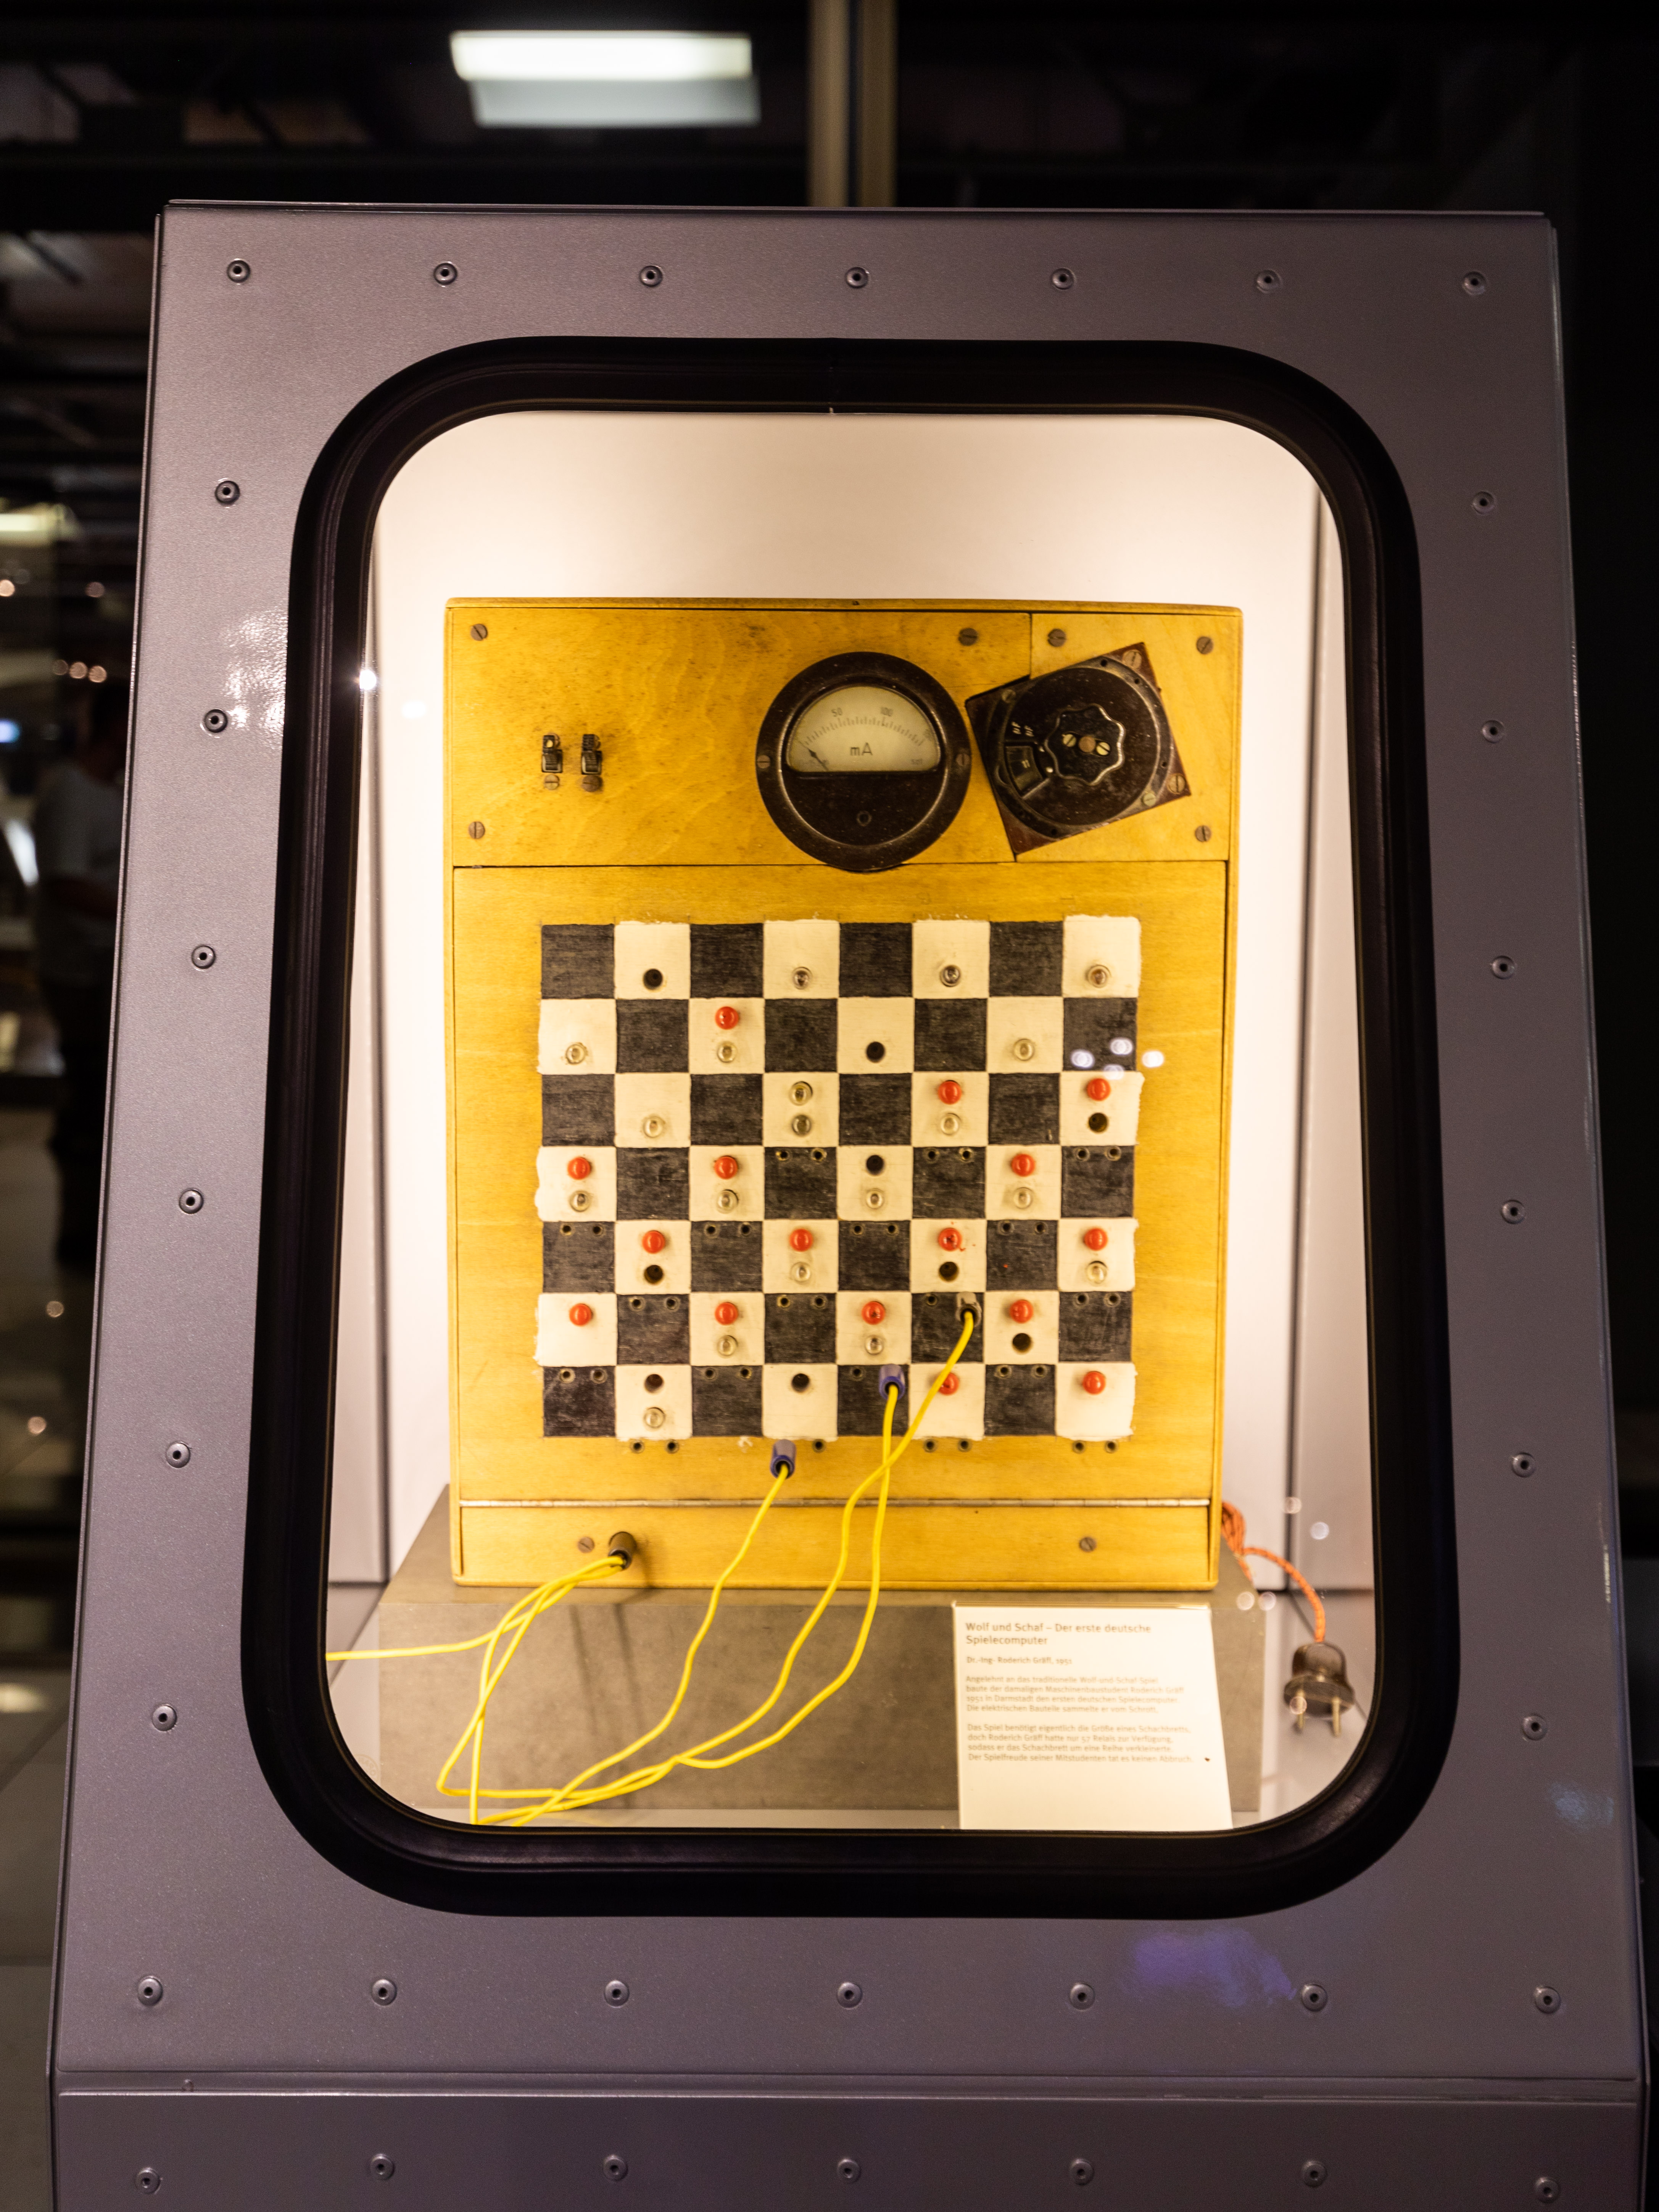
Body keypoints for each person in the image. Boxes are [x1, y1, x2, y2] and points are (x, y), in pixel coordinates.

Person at [32, 689, 127, 1267]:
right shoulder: (72, 790)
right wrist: (140, 914)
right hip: (81, 972)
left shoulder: (111, 791)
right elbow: (66, 883)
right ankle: (80, 1236)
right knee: (89, 1101)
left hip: (102, 967)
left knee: (100, 1101)